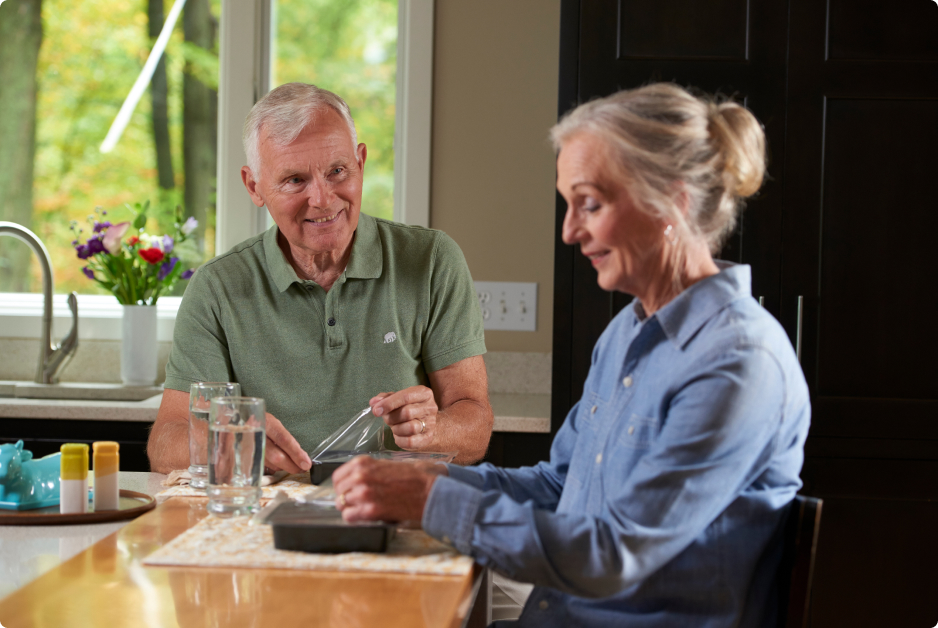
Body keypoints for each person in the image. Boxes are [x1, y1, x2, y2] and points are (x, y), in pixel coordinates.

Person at [331, 83, 811, 627]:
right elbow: (561, 487)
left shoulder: (739, 362)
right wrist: (418, 480)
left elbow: (616, 554)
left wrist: (429, 502)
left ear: (672, 201)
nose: (569, 231)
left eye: (590, 203)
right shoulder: (626, 335)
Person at [148, 83, 493, 474]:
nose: (323, 199)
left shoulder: (431, 260)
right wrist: (241, 446)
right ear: (254, 186)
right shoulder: (217, 287)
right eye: (295, 180)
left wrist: (434, 429)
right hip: (265, 514)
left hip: (394, 506)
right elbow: (166, 443)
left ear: (360, 163)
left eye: (337, 171)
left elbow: (474, 426)